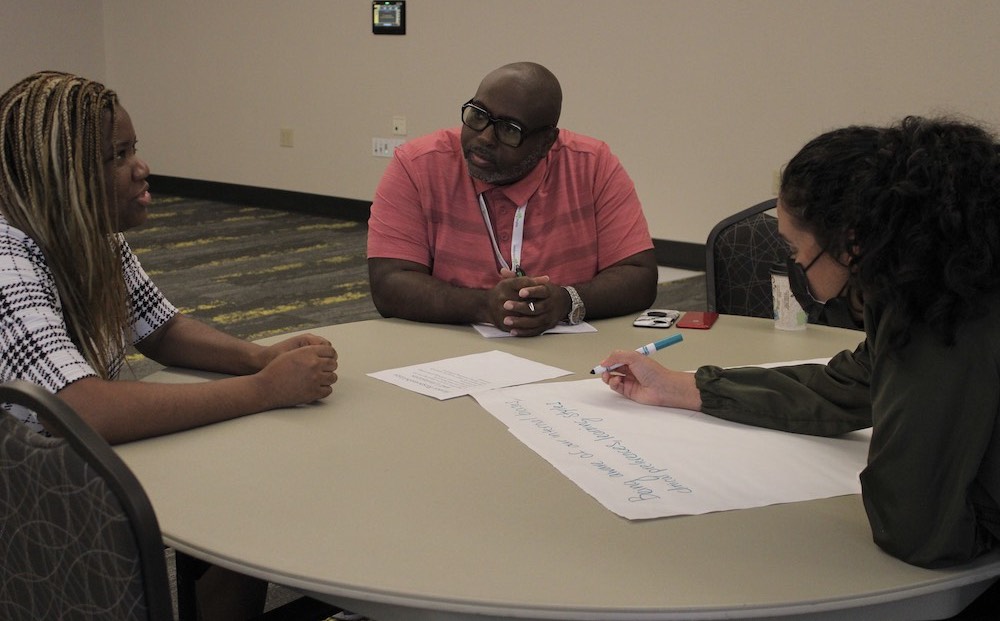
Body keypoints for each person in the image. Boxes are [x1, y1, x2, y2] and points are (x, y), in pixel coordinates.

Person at [0, 71, 338, 619]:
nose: (141, 168)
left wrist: (259, 356)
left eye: (134, 149)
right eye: (118, 155)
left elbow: (160, 328)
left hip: (82, 465)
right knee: (243, 491)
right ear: (62, 174)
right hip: (36, 509)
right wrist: (263, 390)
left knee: (249, 494)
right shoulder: (8, 258)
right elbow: (81, 408)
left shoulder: (91, 234)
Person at [599, 116, 1000, 572]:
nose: (792, 263)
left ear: (850, 243)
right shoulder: (953, 266)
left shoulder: (939, 316)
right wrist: (686, 388)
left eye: (794, 250)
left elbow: (917, 529)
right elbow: (856, 382)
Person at [367, 61, 658, 337]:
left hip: (571, 354)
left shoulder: (592, 165)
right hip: (449, 350)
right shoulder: (417, 165)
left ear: (547, 142)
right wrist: (483, 305)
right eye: (478, 115)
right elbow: (388, 284)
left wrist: (565, 301)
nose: (484, 137)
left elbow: (639, 277)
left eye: (509, 129)